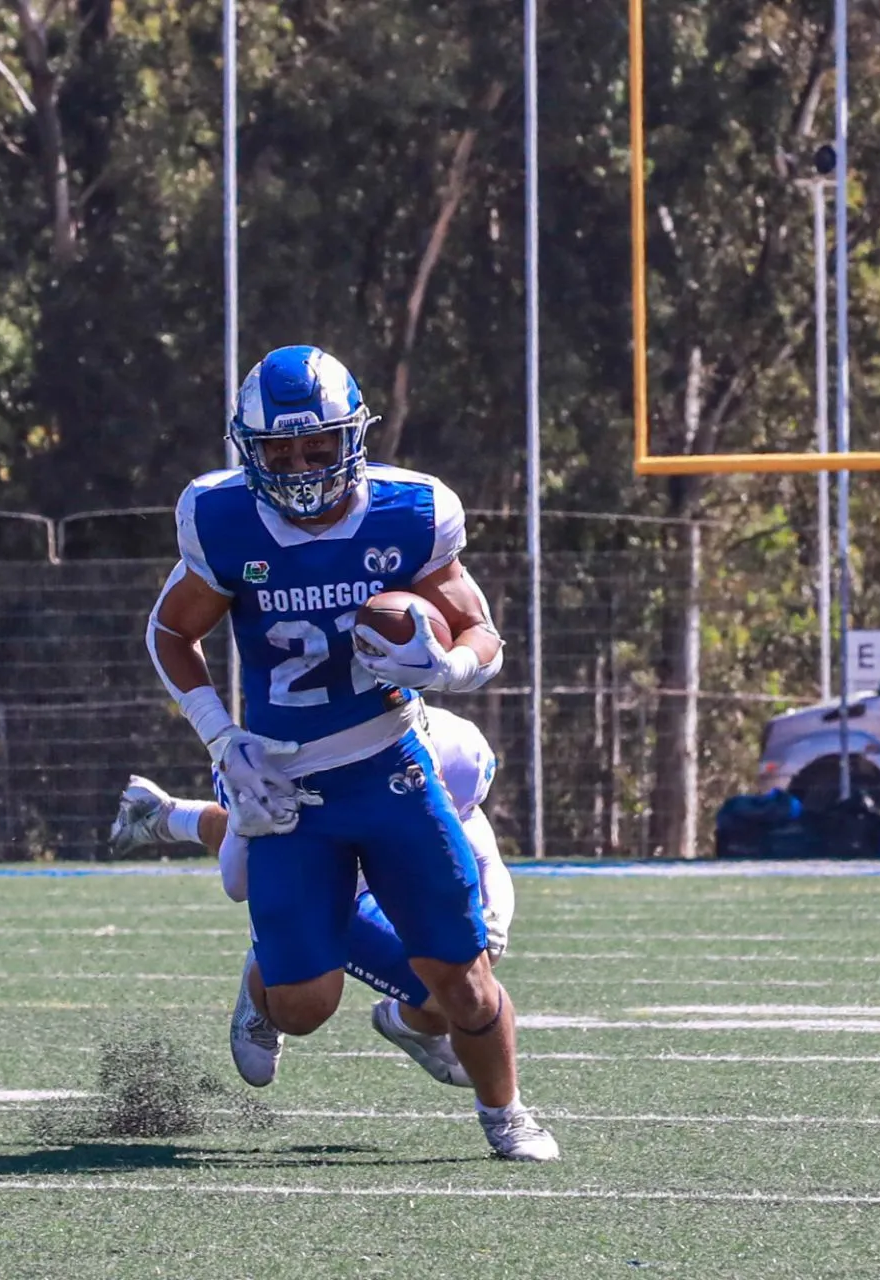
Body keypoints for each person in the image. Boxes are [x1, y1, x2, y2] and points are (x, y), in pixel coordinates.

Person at [142, 344, 557, 1161]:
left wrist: (449, 667)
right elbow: (170, 631)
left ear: (352, 437)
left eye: (317, 447)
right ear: (247, 451)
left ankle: (505, 1112)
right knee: (303, 1005)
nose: (299, 468)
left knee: (466, 981)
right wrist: (223, 741)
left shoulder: (410, 511)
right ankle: (264, 984)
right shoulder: (220, 518)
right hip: (286, 782)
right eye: (279, 453)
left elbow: (483, 633)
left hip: (392, 769)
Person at [110, 704, 516, 1091]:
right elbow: (241, 883)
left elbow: (484, 854)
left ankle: (164, 816)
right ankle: (267, 970)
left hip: (373, 878)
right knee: (302, 1005)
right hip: (312, 849)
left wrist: (496, 917)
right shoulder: (311, 761)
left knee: (462, 997)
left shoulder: (454, 756)